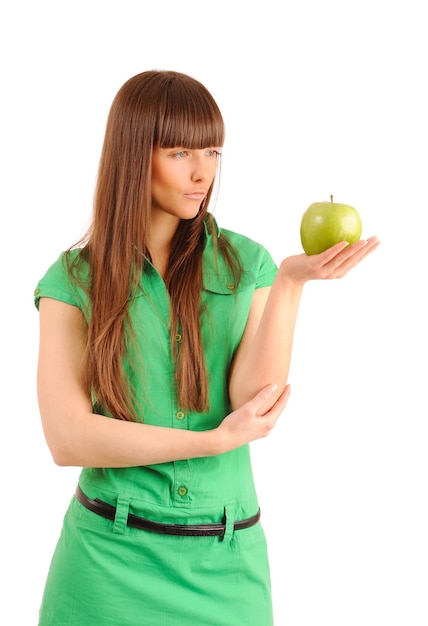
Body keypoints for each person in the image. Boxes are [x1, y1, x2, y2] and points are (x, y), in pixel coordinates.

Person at [34, 69, 380, 626]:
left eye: (213, 151)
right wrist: (213, 443)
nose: (203, 173)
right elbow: (67, 437)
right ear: (133, 154)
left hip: (227, 568)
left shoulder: (248, 264)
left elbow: (253, 399)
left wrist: (290, 284)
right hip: (106, 567)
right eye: (180, 153)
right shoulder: (74, 279)